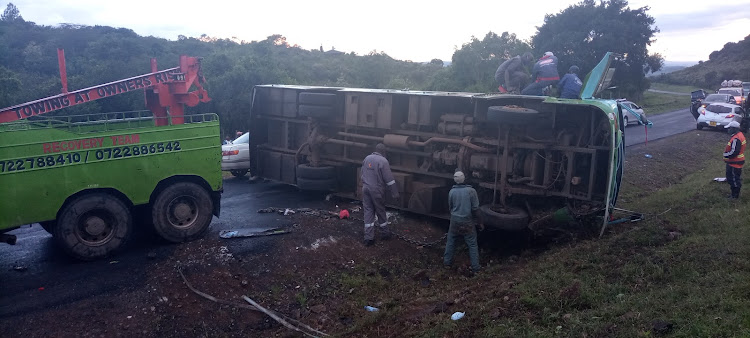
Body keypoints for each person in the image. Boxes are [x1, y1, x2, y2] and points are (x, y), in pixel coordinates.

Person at [443, 170, 484, 274]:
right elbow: (476, 210)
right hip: (467, 221)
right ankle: (476, 268)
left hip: (454, 220)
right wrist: (480, 223)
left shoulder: (451, 192)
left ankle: (447, 263)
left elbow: (450, 207)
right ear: (464, 178)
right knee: (472, 244)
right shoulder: (471, 191)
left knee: (451, 240)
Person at [361, 143, 399, 246]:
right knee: (380, 210)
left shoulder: (367, 158)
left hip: (365, 188)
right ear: (384, 152)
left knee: (368, 211)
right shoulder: (383, 161)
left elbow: (362, 173)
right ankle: (385, 233)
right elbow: (389, 180)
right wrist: (395, 193)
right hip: (376, 190)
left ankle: (368, 238)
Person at [723, 120, 746, 199]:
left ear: (734, 129)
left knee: (733, 179)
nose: (728, 130)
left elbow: (734, 152)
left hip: (734, 162)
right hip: (736, 161)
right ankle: (734, 195)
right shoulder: (739, 135)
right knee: (734, 178)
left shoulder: (736, 138)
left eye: (729, 128)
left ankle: (734, 196)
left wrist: (725, 155)